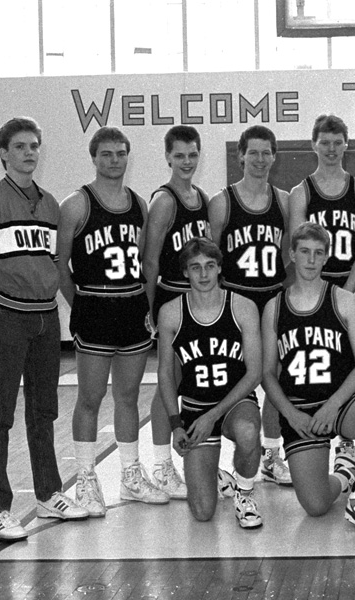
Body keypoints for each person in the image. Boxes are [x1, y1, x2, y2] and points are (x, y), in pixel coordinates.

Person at [0, 117, 88, 541]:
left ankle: (49, 494)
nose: (29, 153)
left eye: (34, 146)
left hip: (46, 318)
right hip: (8, 316)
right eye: (20, 147)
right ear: (3, 153)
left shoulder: (49, 204)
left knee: (43, 410)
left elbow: (55, 265)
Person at [261, 222, 355, 535]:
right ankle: (346, 474)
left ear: (327, 257)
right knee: (316, 506)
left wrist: (332, 405)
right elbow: (268, 373)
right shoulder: (274, 307)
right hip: (300, 409)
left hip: (341, 403)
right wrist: (290, 414)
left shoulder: (344, 300)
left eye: (318, 253)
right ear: (292, 255)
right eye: (304, 252)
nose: (311, 260)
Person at [58, 126, 168, 517]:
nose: (114, 160)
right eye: (106, 154)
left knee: (128, 397)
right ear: (94, 157)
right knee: (89, 399)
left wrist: (145, 305)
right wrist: (79, 305)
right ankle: (87, 480)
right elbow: (60, 265)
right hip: (95, 305)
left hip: (131, 307)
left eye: (120, 153)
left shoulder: (138, 204)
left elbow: (145, 261)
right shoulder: (76, 204)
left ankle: (130, 475)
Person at [156, 238, 264, 527]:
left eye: (209, 266)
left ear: (219, 268)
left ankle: (244, 493)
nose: (203, 274)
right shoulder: (171, 312)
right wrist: (176, 425)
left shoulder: (243, 307)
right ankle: (215, 475)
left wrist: (213, 415)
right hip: (195, 408)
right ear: (185, 272)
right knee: (202, 513)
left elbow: (254, 373)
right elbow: (165, 374)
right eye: (195, 267)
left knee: (248, 432)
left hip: (235, 403)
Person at [288, 114, 355, 469]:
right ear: (314, 145)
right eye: (325, 142)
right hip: (312, 285)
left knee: (350, 360)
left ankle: (346, 442)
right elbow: (298, 248)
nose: (331, 149)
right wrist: (322, 294)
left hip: (348, 283)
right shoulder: (301, 192)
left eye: (338, 142)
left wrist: (346, 293)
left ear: (346, 145)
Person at [209, 125, 292, 487]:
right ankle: (221, 459)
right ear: (240, 155)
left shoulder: (284, 201)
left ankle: (271, 454)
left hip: (271, 298)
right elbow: (210, 257)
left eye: (266, 152)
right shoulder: (222, 201)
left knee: (273, 377)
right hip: (235, 301)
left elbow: (288, 253)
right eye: (253, 152)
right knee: (228, 378)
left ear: (274, 157)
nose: (260, 159)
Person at [142, 125, 211, 500]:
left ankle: (187, 461)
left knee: (191, 381)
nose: (187, 161)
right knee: (169, 382)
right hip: (172, 299)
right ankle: (161, 464)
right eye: (180, 155)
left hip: (198, 302)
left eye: (192, 154)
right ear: (168, 157)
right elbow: (150, 260)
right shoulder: (164, 201)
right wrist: (149, 307)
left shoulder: (200, 197)